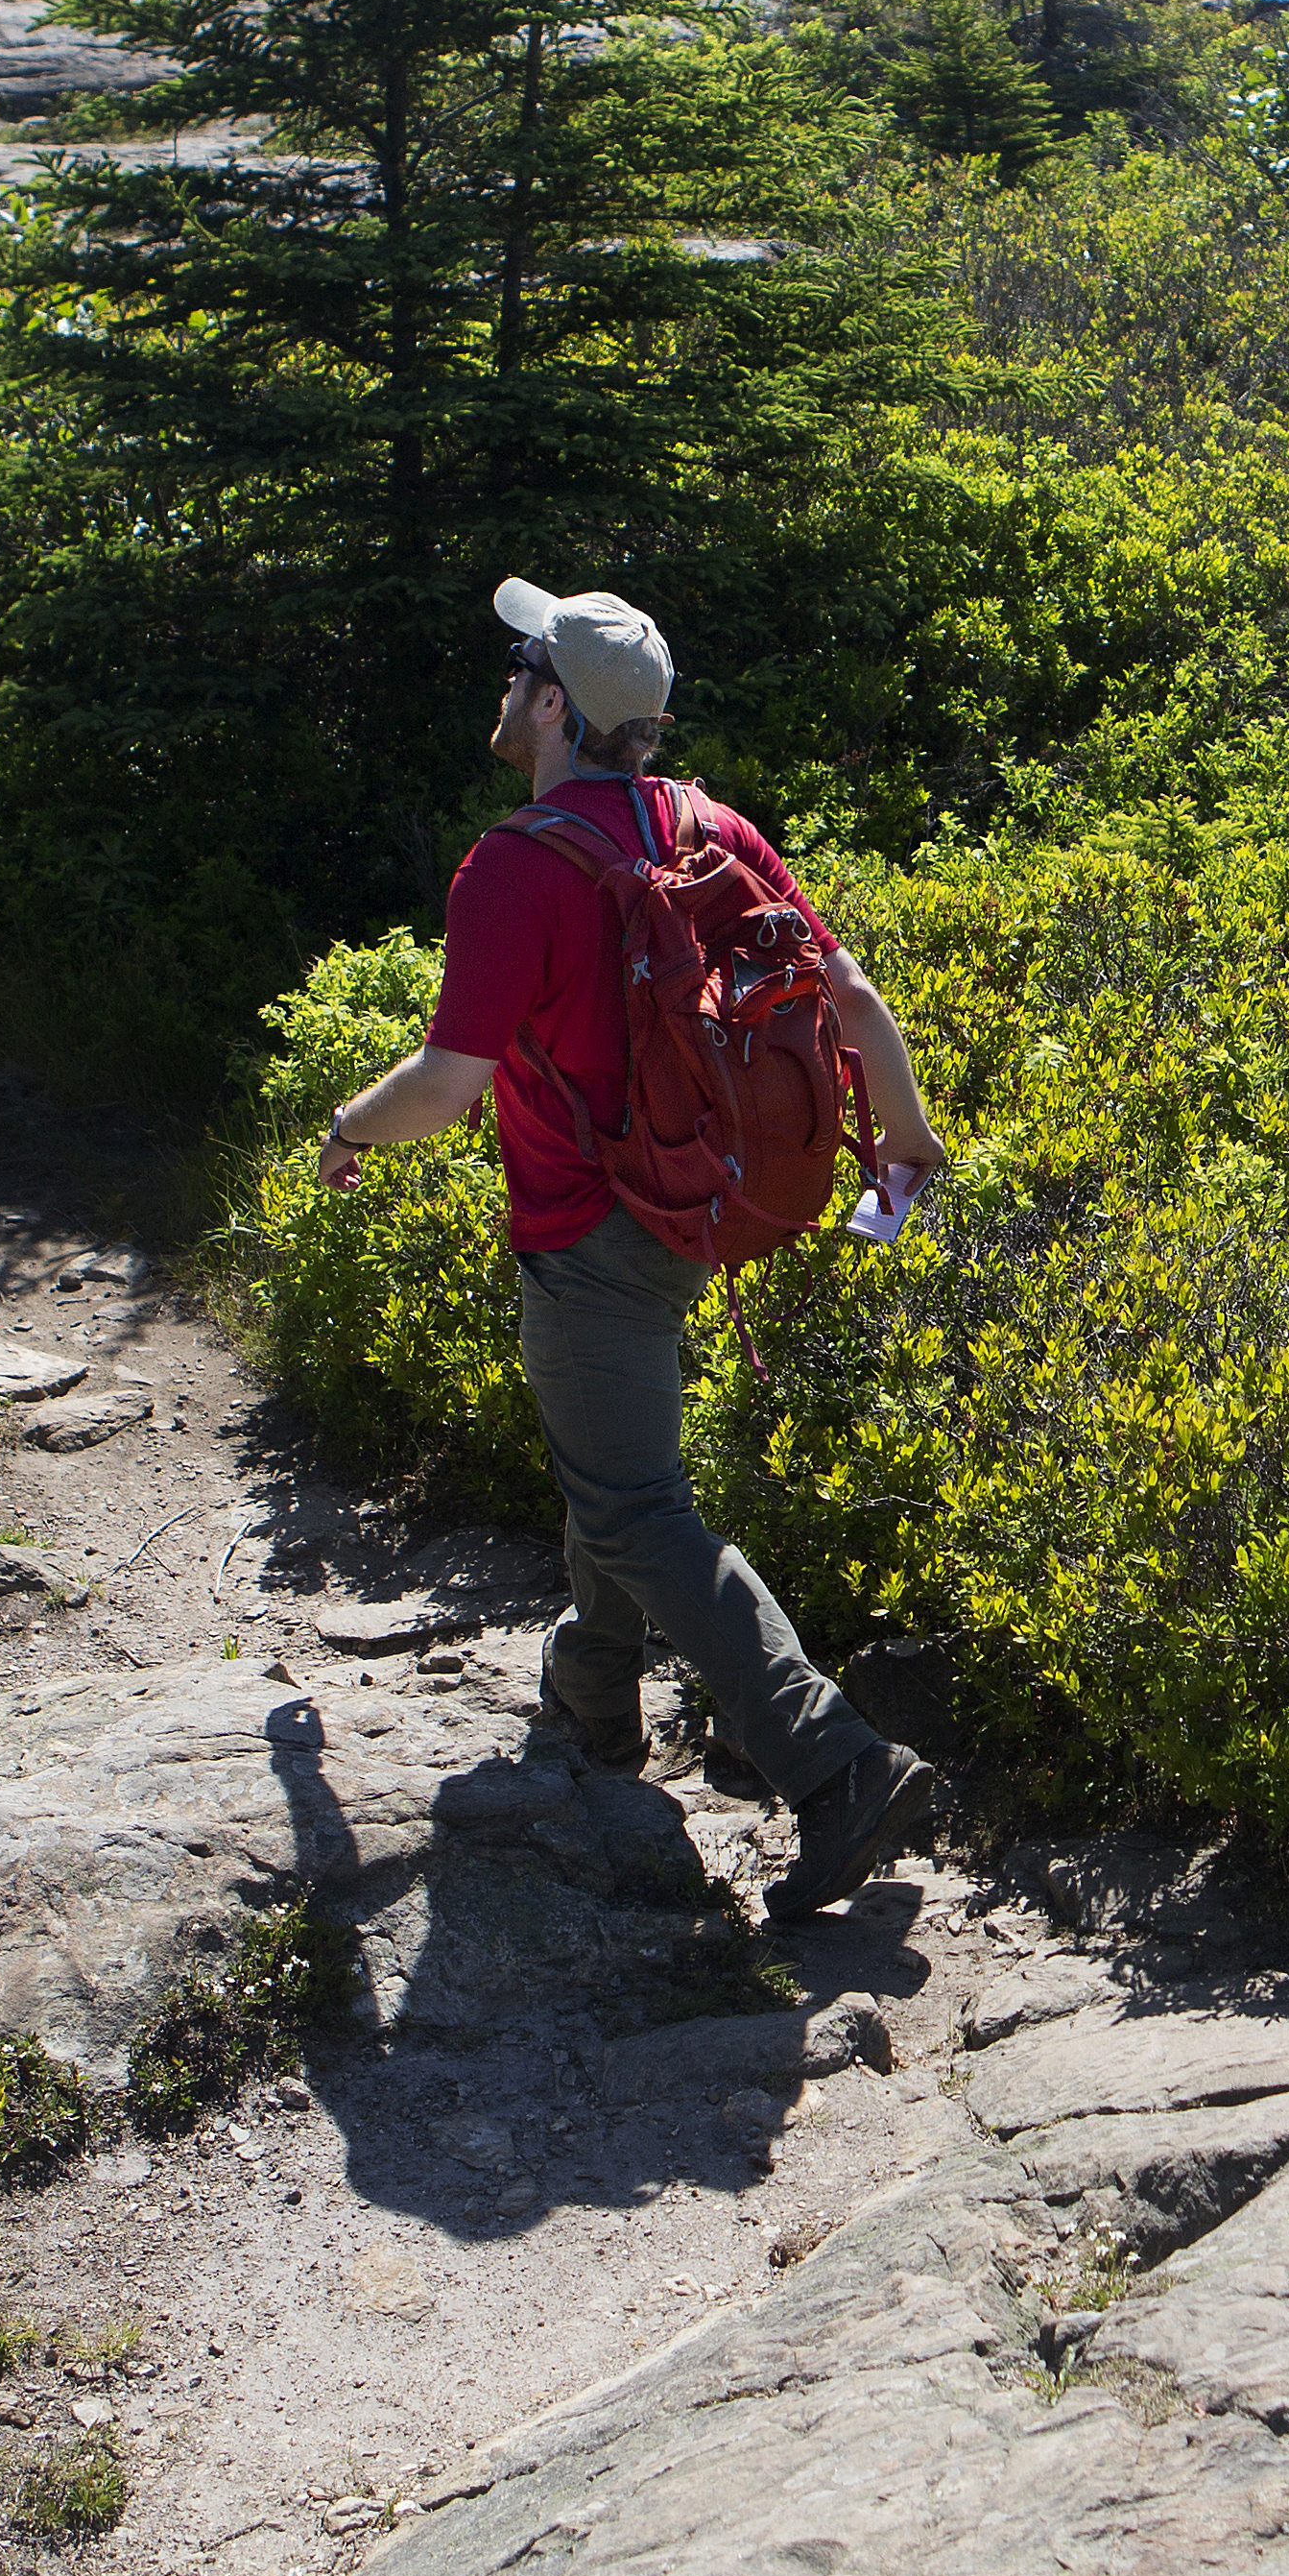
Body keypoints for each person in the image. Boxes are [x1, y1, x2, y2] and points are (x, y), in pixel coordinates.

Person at [315, 577, 954, 1922]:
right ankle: (593, 1711)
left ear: (554, 705)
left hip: (593, 1227)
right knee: (607, 1463)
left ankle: (832, 1761)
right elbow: (845, 992)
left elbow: (445, 1083)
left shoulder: (516, 865)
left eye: (516, 666)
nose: (502, 686)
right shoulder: (708, 826)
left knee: (632, 1505)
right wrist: (905, 1136)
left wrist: (348, 1127)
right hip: (706, 1212)